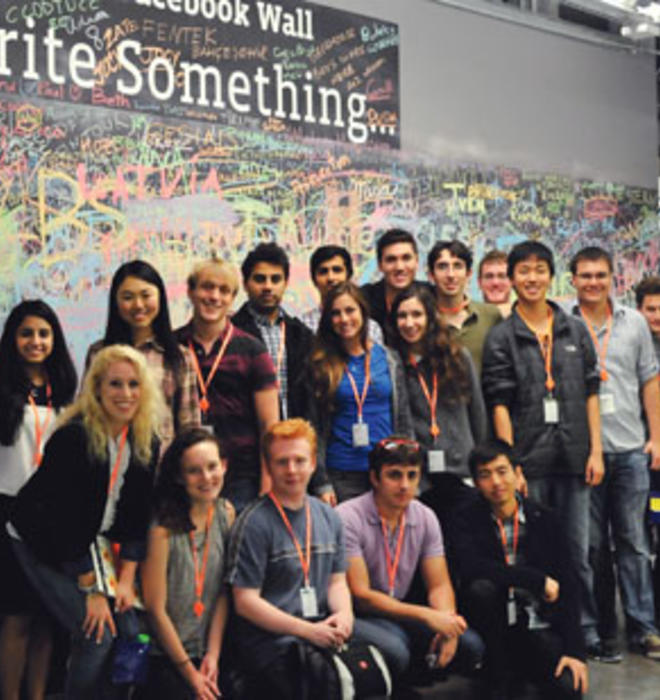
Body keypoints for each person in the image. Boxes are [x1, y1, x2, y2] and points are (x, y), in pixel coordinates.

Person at [8, 344, 161, 698]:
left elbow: (136, 514)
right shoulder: (75, 437)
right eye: (115, 385)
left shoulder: (145, 440)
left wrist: (125, 581)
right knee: (96, 634)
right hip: (39, 538)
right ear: (97, 390)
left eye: (134, 384)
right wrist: (91, 590)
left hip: (93, 538)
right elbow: (60, 521)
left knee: (132, 631)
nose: (125, 394)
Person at [481, 240, 603, 642]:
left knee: (579, 550)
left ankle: (583, 627)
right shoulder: (503, 336)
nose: (532, 278)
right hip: (529, 461)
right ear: (512, 278)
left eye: (539, 270)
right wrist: (510, 464)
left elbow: (590, 393)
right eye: (523, 271)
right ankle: (543, 630)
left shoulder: (574, 329)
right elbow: (499, 403)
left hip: (575, 457)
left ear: (551, 277)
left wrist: (596, 450)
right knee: (535, 551)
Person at [567, 247, 660, 661]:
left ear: (613, 280)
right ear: (573, 279)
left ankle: (643, 627)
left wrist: (656, 438)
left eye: (601, 275)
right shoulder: (562, 322)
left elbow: (650, 382)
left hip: (630, 451)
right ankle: (593, 630)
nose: (593, 282)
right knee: (587, 548)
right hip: (585, 454)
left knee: (634, 543)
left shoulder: (635, 322)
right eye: (585, 275)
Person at [336, 437, 483, 683]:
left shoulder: (425, 516)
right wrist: (427, 616)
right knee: (397, 650)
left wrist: (446, 622)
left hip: (399, 608)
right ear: (374, 478)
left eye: (412, 475)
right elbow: (361, 597)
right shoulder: (347, 517)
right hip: (357, 615)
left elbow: (439, 584)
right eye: (394, 475)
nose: (405, 485)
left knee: (471, 646)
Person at [226, 419, 354, 699]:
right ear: (268, 466)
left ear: (312, 464)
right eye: (282, 462)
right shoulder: (254, 523)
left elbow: (337, 582)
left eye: (300, 460)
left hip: (320, 631)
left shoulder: (328, 516)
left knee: (382, 664)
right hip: (271, 642)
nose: (292, 470)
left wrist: (344, 615)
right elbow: (245, 603)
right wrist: (308, 631)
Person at [455, 440, 588, 700]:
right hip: (493, 632)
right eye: (485, 475)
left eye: (502, 471)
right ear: (476, 482)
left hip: (538, 623)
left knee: (569, 689)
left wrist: (575, 651)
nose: (496, 482)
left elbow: (569, 584)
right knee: (481, 587)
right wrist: (535, 580)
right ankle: (496, 675)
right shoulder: (465, 518)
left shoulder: (545, 518)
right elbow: (471, 566)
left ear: (518, 474)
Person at [0, 300, 77, 700]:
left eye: (43, 334)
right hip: (9, 509)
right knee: (17, 618)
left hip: (52, 514)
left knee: (48, 618)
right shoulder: (3, 389)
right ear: (13, 338)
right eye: (26, 333)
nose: (35, 341)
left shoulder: (64, 389)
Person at [174, 258, 279, 512]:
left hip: (242, 476)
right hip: (187, 474)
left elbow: (269, 425)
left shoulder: (252, 349)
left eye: (223, 290)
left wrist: (267, 482)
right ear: (190, 291)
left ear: (232, 298)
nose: (214, 297)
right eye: (207, 287)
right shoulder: (172, 346)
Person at [139, 429, 235, 700]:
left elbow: (222, 594)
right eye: (194, 471)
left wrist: (213, 655)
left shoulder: (226, 514)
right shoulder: (162, 529)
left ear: (224, 465)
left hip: (209, 652)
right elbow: (155, 610)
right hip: (167, 655)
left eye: (212, 466)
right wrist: (191, 675)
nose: (206, 478)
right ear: (179, 477)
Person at [308, 281, 413, 503]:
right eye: (336, 313)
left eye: (350, 310)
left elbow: (403, 418)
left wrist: (408, 470)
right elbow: (314, 427)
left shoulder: (389, 358)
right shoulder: (320, 365)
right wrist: (321, 481)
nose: (344, 319)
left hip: (388, 470)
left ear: (364, 313)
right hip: (342, 474)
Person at [87, 260, 200, 452]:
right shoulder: (99, 353)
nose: (138, 305)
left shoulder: (180, 356)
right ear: (116, 301)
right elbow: (88, 413)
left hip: (163, 471)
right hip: (109, 466)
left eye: (146, 295)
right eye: (128, 297)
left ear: (160, 298)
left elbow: (189, 426)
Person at [390, 283, 487, 507]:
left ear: (431, 317)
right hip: (420, 480)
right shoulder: (393, 363)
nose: (409, 323)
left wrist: (481, 466)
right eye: (402, 316)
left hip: (463, 471)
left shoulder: (457, 356)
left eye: (417, 314)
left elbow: (477, 414)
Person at [232, 242, 313, 421]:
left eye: (275, 279)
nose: (268, 286)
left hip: (294, 432)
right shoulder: (231, 332)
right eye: (260, 279)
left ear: (285, 284)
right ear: (245, 284)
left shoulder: (300, 334)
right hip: (248, 434)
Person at [427, 240, 501, 374]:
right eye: (442, 267)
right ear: (431, 275)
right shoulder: (422, 320)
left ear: (468, 274)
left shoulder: (490, 316)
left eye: (458, 266)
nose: (450, 275)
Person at [636, 275, 660, 625]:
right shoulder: (635, 347)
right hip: (648, 465)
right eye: (651, 309)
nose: (657, 315)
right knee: (650, 532)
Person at [301, 244, 383, 344]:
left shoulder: (370, 328)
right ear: (314, 280)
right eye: (323, 272)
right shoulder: (303, 326)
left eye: (337, 270)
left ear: (348, 275)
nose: (331, 278)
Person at [361, 229, 421, 343]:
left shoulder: (431, 296)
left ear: (417, 261)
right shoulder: (364, 299)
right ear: (380, 265)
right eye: (391, 260)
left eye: (406, 258)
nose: (399, 267)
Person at [478, 249, 513, 317]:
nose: (495, 283)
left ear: (512, 281)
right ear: (479, 282)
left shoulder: (527, 321)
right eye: (489, 276)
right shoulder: (469, 322)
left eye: (502, 276)